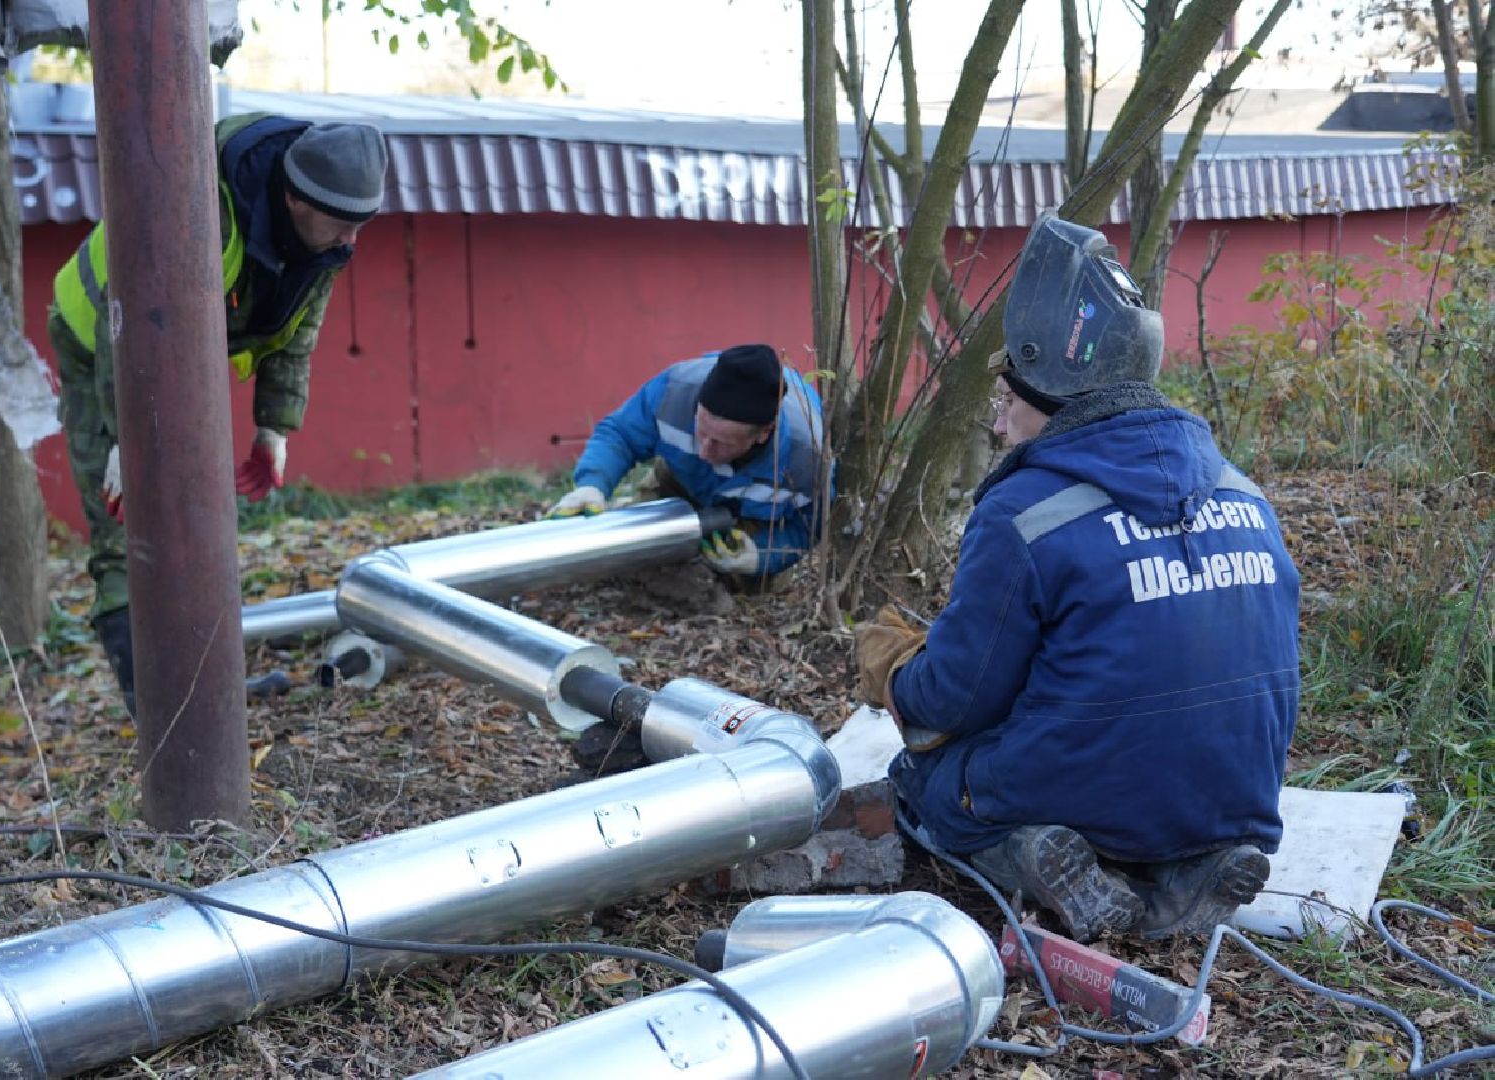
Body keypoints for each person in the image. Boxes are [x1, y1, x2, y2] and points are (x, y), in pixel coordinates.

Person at [854, 213, 1300, 942]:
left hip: (1085, 794)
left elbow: (953, 703)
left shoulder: (1024, 511)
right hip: (1234, 796)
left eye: (1006, 401)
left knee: (922, 781)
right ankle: (1187, 876)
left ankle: (1032, 855)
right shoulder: (1242, 493)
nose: (1000, 427)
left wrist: (895, 674)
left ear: (1050, 390)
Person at [50, 113, 389, 714]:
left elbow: (300, 325)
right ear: (293, 199)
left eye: (360, 225)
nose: (351, 241)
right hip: (100, 344)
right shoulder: (193, 208)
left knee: (196, 512)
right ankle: (154, 708)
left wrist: (273, 427)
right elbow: (123, 325)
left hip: (181, 359)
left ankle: (203, 691)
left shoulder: (324, 235)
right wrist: (125, 439)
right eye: (342, 225)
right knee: (122, 522)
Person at [548, 344, 829, 586]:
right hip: (681, 480)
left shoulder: (808, 457)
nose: (705, 451)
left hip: (757, 516)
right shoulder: (674, 390)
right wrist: (593, 485)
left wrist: (763, 557)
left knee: (738, 588)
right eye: (700, 431)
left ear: (763, 433)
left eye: (720, 443)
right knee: (634, 562)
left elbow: (812, 525)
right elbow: (620, 433)